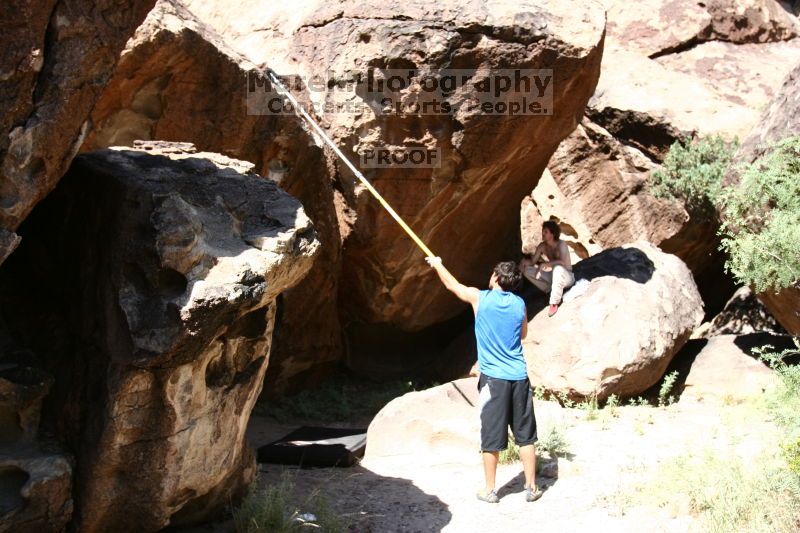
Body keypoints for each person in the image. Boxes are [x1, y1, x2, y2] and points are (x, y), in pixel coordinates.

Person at [426, 257, 542, 503]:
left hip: (494, 381)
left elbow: (452, 286)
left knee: (491, 437)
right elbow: (523, 334)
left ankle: (490, 490)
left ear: (496, 278)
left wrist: (437, 264)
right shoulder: (519, 304)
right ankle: (531, 487)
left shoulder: (480, 298)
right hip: (519, 378)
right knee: (525, 435)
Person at [519, 220, 574, 317]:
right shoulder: (542, 246)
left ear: (552, 234)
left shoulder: (561, 244)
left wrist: (544, 265)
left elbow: (562, 262)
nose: (543, 234)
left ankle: (554, 302)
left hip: (567, 276)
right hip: (554, 278)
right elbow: (532, 262)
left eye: (546, 232)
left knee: (558, 268)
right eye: (543, 231)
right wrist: (523, 262)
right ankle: (549, 289)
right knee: (527, 270)